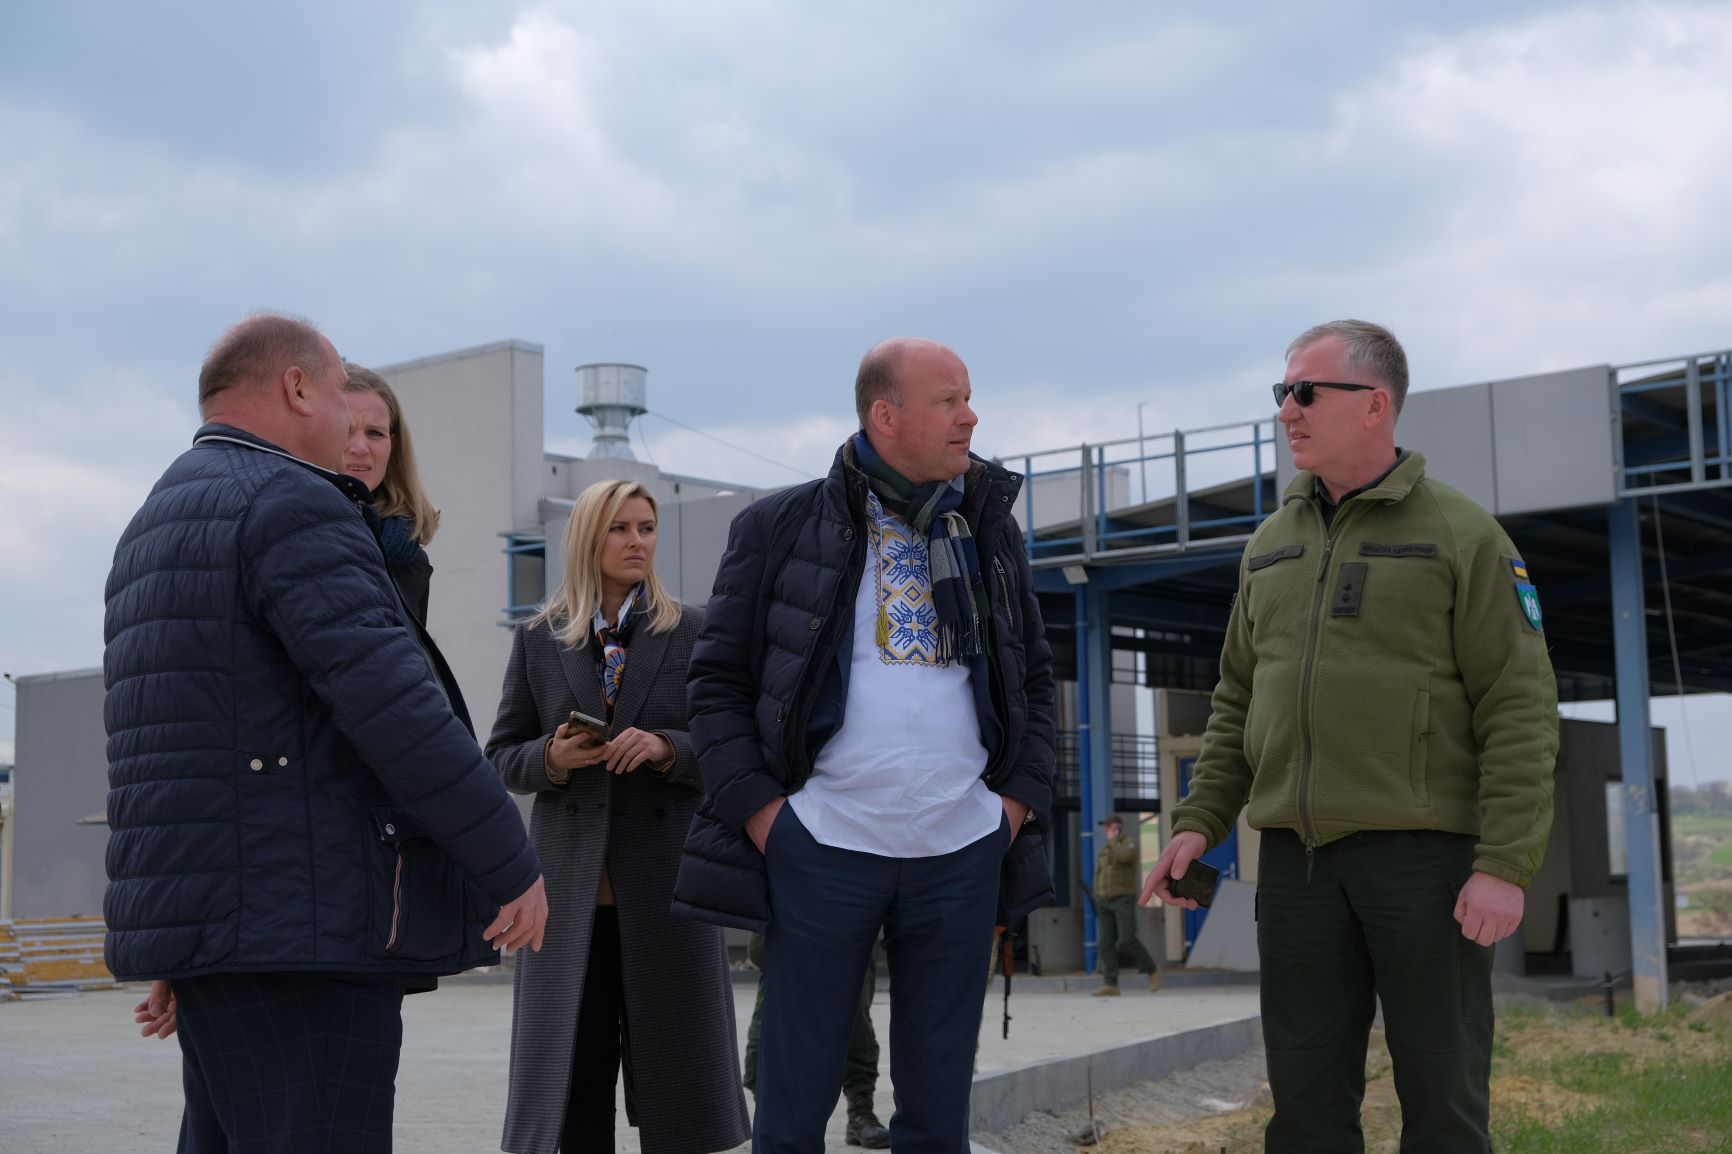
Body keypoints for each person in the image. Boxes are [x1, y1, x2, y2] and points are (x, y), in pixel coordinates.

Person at [104, 312, 548, 1154]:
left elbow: (167, 761)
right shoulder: (290, 505)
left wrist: (183, 936)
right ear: (296, 386)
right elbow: (397, 711)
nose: (352, 418)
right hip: (304, 929)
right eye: (343, 390)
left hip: (232, 930)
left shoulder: (154, 521)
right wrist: (507, 857)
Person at [1142, 319, 1558, 1153]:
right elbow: (1235, 702)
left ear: (1374, 405)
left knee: (1443, 1099)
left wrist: (1503, 865)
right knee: (1302, 1103)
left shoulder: (1463, 536)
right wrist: (1199, 823)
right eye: (1281, 393)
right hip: (1297, 866)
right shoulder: (1268, 547)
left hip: (1424, 862)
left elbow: (1518, 706)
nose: (1286, 410)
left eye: (1306, 392)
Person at [675, 337, 1057, 1154]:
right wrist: (766, 818)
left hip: (961, 847)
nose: (972, 416)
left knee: (937, 1101)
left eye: (969, 398)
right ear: (887, 415)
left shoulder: (987, 530)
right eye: (950, 399)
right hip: (823, 848)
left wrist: (1011, 810)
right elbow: (714, 685)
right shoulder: (778, 527)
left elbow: (1033, 683)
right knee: (792, 1098)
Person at [487, 479, 749, 1154]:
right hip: (569, 899)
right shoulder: (539, 640)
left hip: (666, 888)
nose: (638, 541)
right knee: (573, 1090)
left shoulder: (694, 630)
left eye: (647, 527)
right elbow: (501, 759)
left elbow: (731, 748)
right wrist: (553, 755)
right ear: (587, 538)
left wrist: (667, 747)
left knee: (679, 1093)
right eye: (621, 528)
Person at [741, 932, 890, 1148]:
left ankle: (861, 1107)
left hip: (851, 909)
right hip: (786, 906)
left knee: (855, 994)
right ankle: (773, 1112)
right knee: (777, 988)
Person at [342, 363, 442, 624]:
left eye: (375, 433)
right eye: (345, 430)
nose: (360, 447)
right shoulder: (291, 534)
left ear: (393, 445)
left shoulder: (409, 555)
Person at [1090, 814, 1160, 996]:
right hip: (1104, 901)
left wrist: (1115, 841)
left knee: (1127, 940)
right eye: (1105, 827)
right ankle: (1111, 984)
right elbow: (1099, 873)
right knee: (1105, 943)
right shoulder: (1105, 849)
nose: (1106, 830)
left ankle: (1152, 970)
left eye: (1109, 827)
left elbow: (1125, 858)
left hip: (1122, 899)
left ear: (1118, 828)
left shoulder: (1129, 844)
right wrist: (1097, 894)